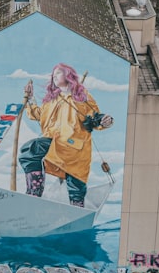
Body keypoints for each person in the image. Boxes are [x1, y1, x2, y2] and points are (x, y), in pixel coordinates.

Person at [21, 64, 113, 207]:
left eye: (58, 73)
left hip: (75, 148)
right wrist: (30, 99)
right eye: (53, 74)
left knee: (76, 185)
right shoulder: (52, 100)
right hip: (55, 143)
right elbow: (39, 116)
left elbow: (95, 117)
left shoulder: (83, 97)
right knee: (31, 149)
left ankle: (77, 208)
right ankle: (34, 191)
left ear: (68, 75)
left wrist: (104, 121)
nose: (54, 76)